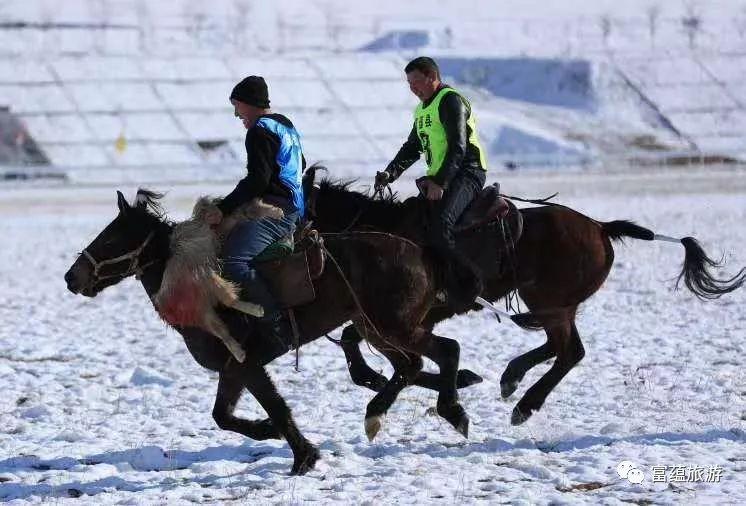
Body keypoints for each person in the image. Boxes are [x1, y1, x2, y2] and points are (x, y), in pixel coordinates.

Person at [374, 56, 488, 310]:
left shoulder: (450, 101)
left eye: (415, 82)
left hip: (467, 172)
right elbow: (413, 147)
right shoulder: (422, 109)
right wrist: (390, 173)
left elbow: (458, 147)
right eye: (409, 84)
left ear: (431, 77)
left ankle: (466, 285)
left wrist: (440, 182)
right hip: (441, 177)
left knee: (440, 225)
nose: (412, 89)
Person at [206, 75, 305, 344]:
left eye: (237, 106)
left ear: (249, 104)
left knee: (233, 262)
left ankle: (275, 323)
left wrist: (222, 209)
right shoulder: (284, 125)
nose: (236, 114)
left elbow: (257, 180)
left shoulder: (259, 130)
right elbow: (301, 165)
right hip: (295, 206)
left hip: (278, 213)